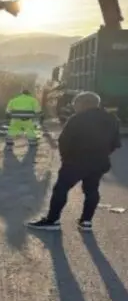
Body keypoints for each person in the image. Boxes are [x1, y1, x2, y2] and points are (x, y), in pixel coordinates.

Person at [26, 91, 121, 231]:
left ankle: (52, 221)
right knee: (92, 190)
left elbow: (64, 141)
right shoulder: (112, 119)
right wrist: (102, 154)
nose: (74, 107)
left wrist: (66, 159)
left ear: (84, 104)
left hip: (76, 162)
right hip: (99, 162)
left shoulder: (77, 118)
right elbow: (115, 143)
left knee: (61, 189)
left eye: (76, 104)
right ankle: (86, 222)